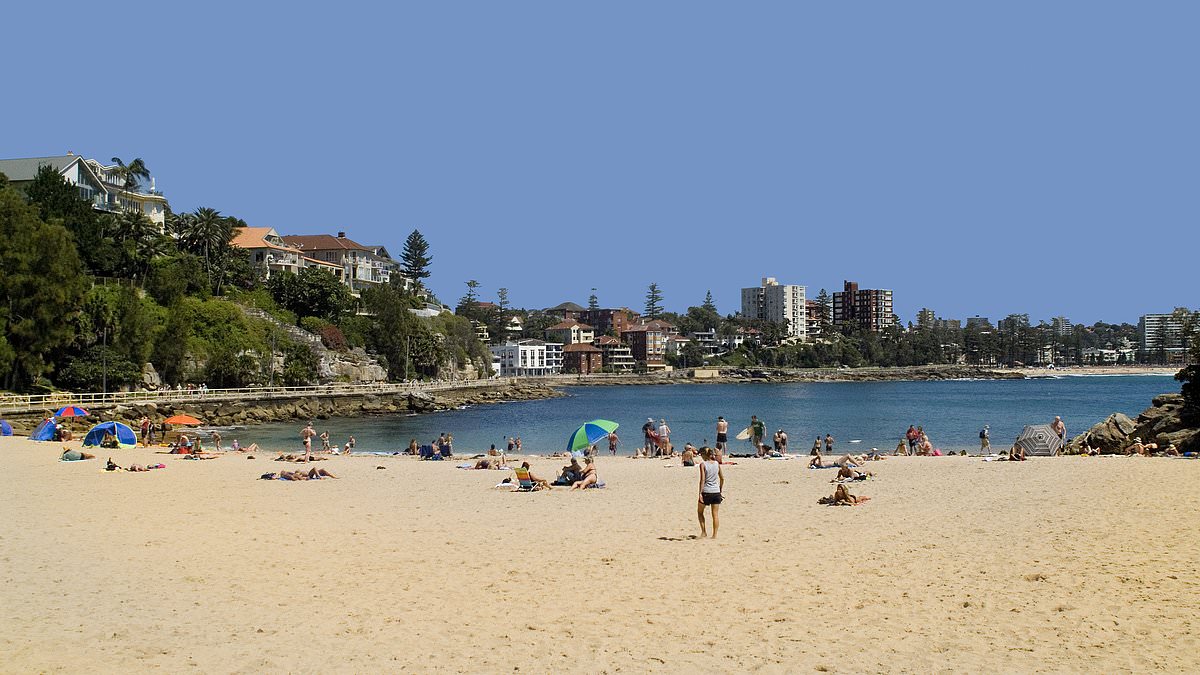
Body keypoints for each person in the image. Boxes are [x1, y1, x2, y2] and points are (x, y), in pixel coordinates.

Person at [697, 447, 723, 538]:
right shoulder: (717, 464)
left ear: (704, 455)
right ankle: (714, 535)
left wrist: (700, 493)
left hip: (707, 491)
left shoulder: (703, 464)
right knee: (715, 514)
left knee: (700, 512)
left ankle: (704, 532)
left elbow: (702, 479)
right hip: (716, 491)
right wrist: (720, 489)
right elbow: (722, 478)